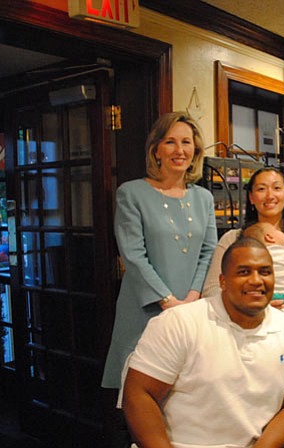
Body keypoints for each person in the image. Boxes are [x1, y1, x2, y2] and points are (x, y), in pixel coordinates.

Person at [122, 237, 284, 447]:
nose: (256, 280)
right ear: (223, 281)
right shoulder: (179, 322)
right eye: (244, 272)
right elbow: (139, 394)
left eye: (265, 272)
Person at [102, 111, 218, 389]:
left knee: (187, 393)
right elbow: (133, 255)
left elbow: (209, 251)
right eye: (170, 142)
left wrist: (191, 298)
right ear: (156, 150)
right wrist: (168, 302)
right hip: (145, 309)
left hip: (192, 308)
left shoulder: (204, 198)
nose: (180, 150)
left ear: (196, 150)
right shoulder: (131, 193)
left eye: (186, 142)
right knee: (140, 397)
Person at [203, 166, 284, 322]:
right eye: (261, 189)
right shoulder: (232, 239)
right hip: (240, 326)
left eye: (277, 188)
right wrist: (252, 309)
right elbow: (212, 289)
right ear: (251, 197)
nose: (270, 196)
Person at [242, 221, 284, 302]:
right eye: (278, 231)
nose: (283, 233)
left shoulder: (257, 256)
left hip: (267, 297)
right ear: (269, 237)